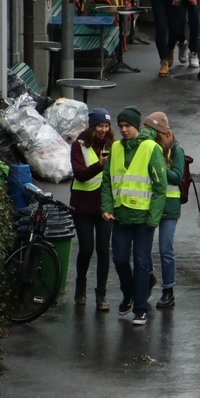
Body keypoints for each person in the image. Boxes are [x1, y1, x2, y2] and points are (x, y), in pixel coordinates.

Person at [101, 106, 167, 326]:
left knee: (140, 261)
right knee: (119, 259)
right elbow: (107, 182)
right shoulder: (116, 148)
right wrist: (107, 207)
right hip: (120, 216)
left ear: (136, 126)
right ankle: (129, 293)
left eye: (127, 126)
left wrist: (154, 217)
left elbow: (160, 186)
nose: (124, 130)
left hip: (143, 218)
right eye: (120, 127)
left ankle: (140, 308)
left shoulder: (151, 148)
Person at [70, 107, 114, 310]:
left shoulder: (114, 145)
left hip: (105, 206)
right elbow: (79, 174)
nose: (103, 130)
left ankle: (101, 295)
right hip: (83, 206)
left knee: (104, 250)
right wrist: (100, 165)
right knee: (86, 248)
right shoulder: (79, 146)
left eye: (106, 126)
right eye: (100, 126)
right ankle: (80, 288)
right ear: (92, 126)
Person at [143, 112, 183, 309]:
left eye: (152, 130)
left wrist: (158, 168)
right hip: (149, 203)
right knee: (144, 247)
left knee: (165, 249)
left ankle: (169, 290)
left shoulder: (176, 149)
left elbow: (177, 176)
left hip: (169, 205)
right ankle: (149, 278)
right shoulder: (148, 148)